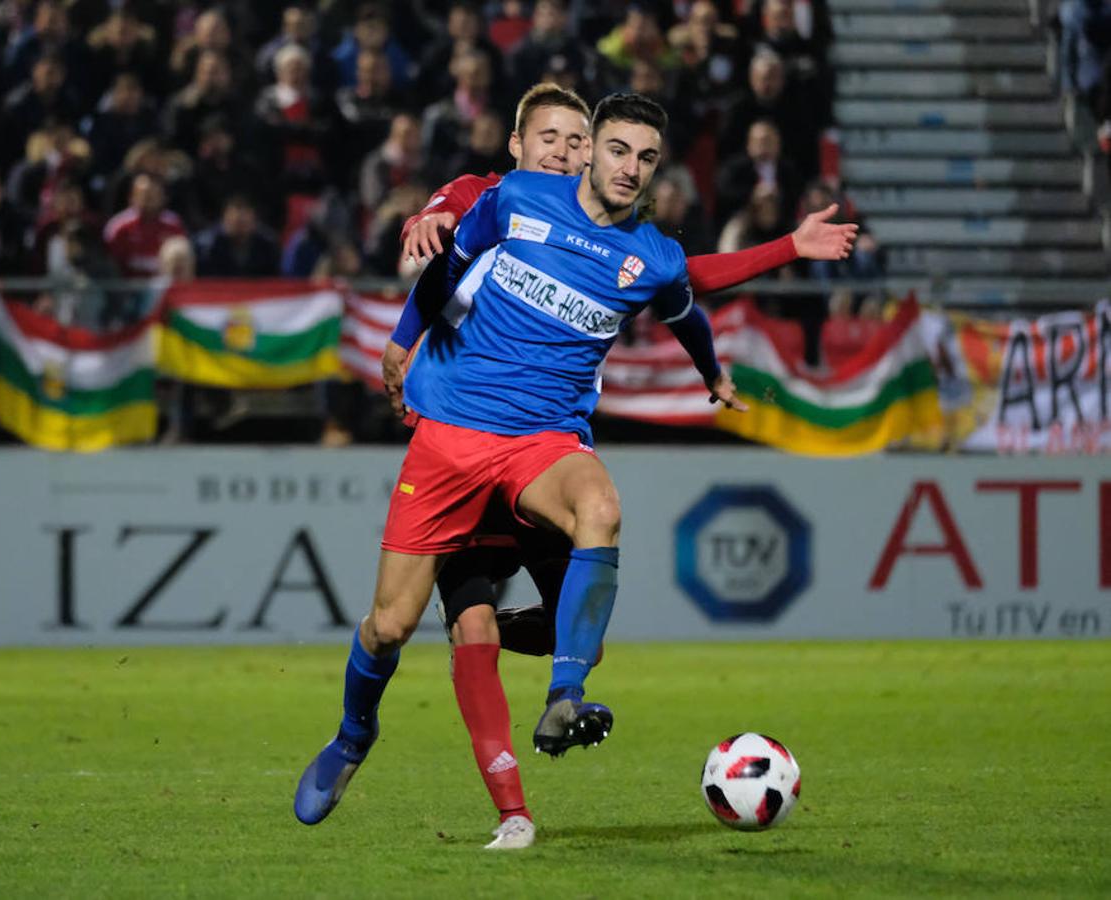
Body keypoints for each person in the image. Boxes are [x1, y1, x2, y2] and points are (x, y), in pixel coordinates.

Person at [294, 90, 855, 848]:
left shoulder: (649, 253)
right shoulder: (510, 196)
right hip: (452, 434)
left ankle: (565, 697)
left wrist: (724, 356)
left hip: (543, 442)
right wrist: (400, 342)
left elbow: (689, 297)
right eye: (613, 148)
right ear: (568, 148)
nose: (626, 166)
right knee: (391, 626)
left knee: (601, 510)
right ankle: (354, 735)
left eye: (645, 157)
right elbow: (445, 246)